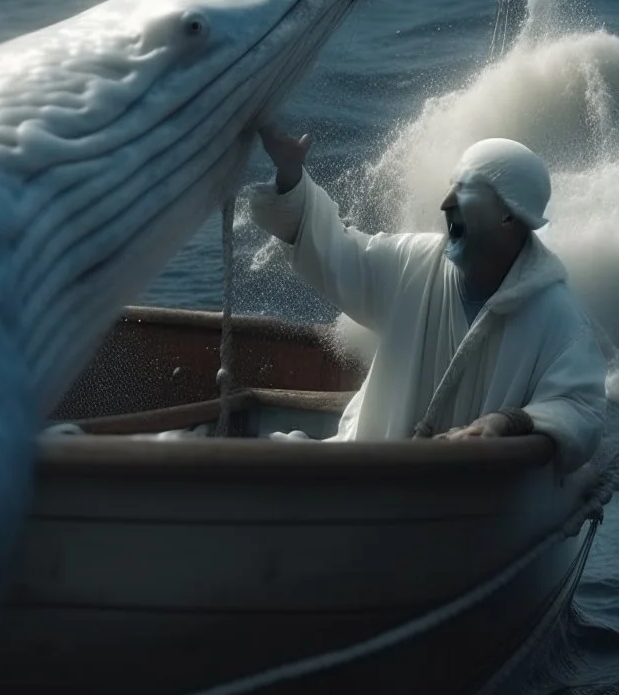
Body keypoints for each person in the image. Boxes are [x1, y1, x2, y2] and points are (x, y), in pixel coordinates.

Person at [249, 130, 607, 472]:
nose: (445, 203)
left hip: (473, 503)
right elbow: (335, 254)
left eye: (465, 191)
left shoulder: (558, 316)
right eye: (451, 187)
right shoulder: (413, 262)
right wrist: (291, 177)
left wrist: (509, 422)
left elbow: (581, 410)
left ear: (508, 215)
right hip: (365, 477)